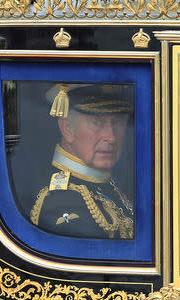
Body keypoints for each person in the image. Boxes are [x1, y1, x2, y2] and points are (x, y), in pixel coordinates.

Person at [29, 83, 134, 239]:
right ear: (68, 129)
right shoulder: (61, 200)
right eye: (97, 123)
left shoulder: (104, 183)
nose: (111, 137)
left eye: (116, 123)